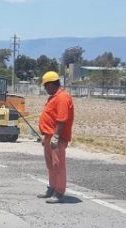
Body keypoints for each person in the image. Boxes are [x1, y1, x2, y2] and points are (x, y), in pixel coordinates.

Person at [38, 71, 75, 203]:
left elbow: (61, 119)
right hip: (49, 136)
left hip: (56, 138)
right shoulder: (54, 97)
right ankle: (52, 188)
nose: (45, 89)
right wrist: (46, 136)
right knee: (51, 165)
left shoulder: (62, 97)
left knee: (58, 165)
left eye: (45, 86)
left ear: (51, 84)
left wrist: (55, 136)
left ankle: (59, 192)